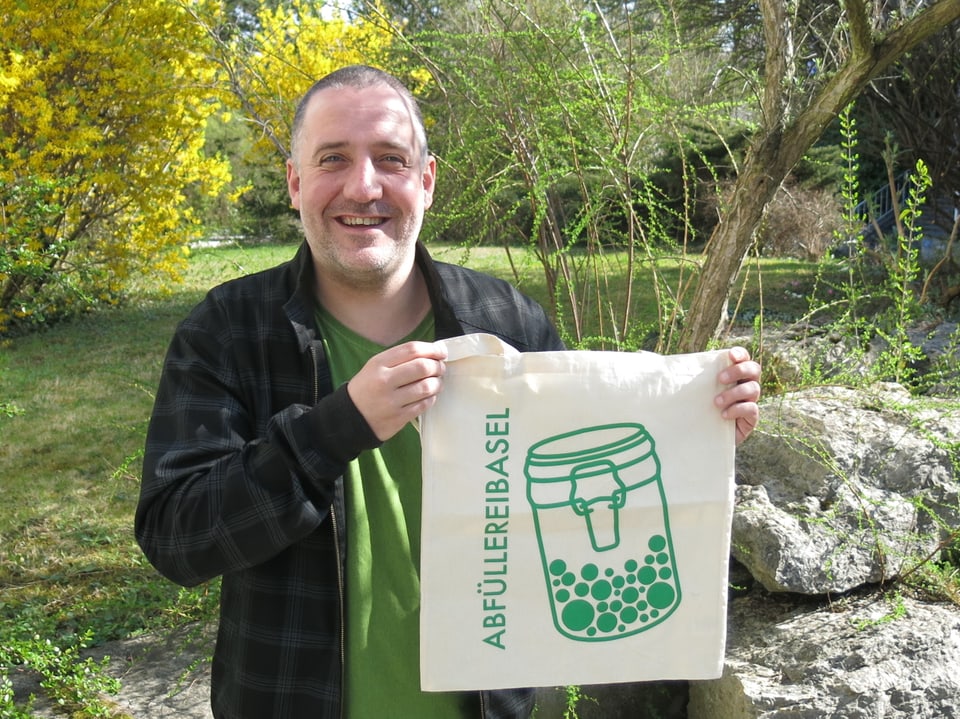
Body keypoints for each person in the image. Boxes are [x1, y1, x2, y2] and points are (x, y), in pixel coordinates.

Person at [135, 64, 761, 719]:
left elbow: (585, 492)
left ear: (426, 181)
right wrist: (333, 428)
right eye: (332, 159)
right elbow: (177, 538)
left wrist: (701, 429)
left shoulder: (508, 323)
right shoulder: (227, 330)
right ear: (295, 183)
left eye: (390, 158)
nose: (364, 185)